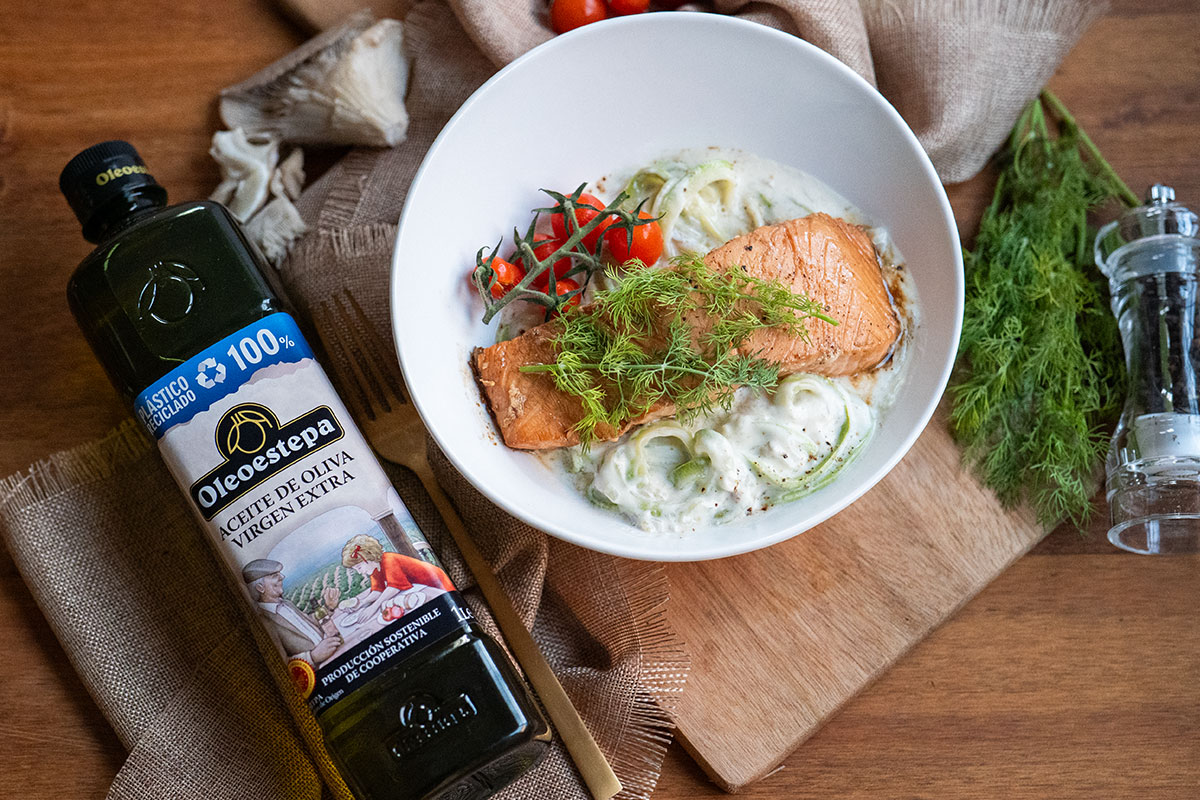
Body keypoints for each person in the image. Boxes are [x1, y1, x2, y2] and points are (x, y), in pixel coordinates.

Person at [242, 559, 342, 666]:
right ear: (260, 588)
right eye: (274, 576)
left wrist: (328, 608)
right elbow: (280, 662)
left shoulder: (286, 604)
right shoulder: (263, 620)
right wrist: (312, 657)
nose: (282, 577)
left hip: (333, 655)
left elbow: (310, 623)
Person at [339, 535, 454, 625]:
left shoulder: (389, 560)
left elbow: (394, 587)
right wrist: (361, 604)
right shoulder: (374, 569)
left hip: (437, 583)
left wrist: (373, 608)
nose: (359, 572)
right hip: (422, 588)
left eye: (359, 567)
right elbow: (377, 590)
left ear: (368, 558)